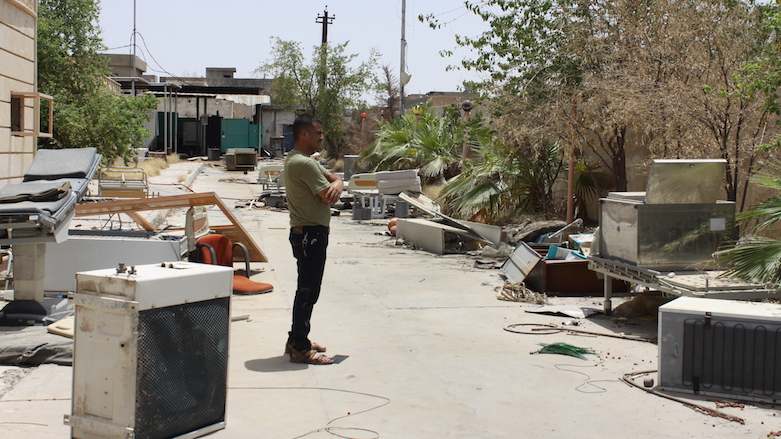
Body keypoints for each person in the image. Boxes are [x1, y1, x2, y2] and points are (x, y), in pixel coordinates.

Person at [283, 114, 343, 365]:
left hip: (308, 233)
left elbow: (334, 179)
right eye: (317, 133)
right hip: (310, 234)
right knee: (308, 291)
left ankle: (296, 338)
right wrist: (338, 185)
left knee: (307, 288)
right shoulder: (305, 164)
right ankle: (299, 346)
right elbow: (329, 196)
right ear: (304, 134)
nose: (321, 137)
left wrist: (338, 181)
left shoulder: (303, 161)